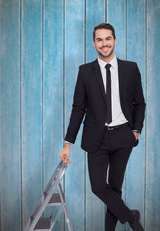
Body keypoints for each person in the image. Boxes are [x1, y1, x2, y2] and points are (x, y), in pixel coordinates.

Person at [59, 23, 145, 231]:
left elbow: (139, 103)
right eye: (99, 40)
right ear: (94, 43)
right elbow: (78, 108)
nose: (104, 44)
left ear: (114, 40)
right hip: (96, 138)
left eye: (108, 39)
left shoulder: (130, 68)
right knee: (99, 187)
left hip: (123, 136)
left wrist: (135, 132)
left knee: (115, 189)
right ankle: (131, 217)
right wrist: (67, 143)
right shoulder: (85, 71)